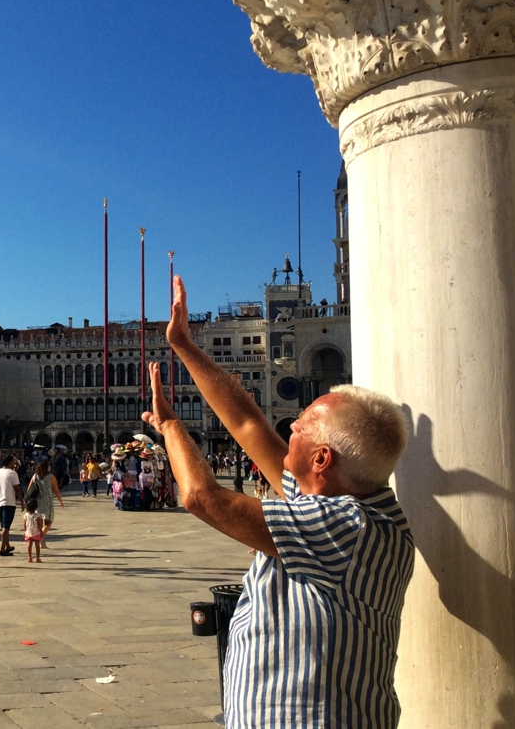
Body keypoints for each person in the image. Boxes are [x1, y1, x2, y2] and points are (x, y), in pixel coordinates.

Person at [142, 274, 413, 727]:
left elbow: (203, 498)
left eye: (302, 425)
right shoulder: (335, 499)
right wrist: (185, 346)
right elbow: (249, 423)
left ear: (322, 459)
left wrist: (171, 428)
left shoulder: (350, 528)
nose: (290, 428)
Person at [26, 459, 64, 546]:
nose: (50, 466)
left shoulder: (35, 476)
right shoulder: (51, 477)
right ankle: (39, 537)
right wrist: (60, 501)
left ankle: (42, 542)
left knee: (39, 522)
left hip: (37, 502)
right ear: (46, 467)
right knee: (48, 522)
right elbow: (56, 491)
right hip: (47, 502)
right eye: (49, 465)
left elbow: (29, 489)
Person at [0, 455, 23, 556]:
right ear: (10, 462)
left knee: (4, 525)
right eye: (14, 460)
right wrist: (22, 501)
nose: (16, 462)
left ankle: (7, 545)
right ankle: (2, 549)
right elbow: (17, 489)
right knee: (6, 526)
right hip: (8, 502)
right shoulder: (12, 474)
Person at [23, 497, 44, 563]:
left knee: (29, 545)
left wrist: (24, 531)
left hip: (29, 532)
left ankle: (30, 557)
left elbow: (24, 524)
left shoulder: (26, 515)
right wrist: (41, 532)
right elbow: (40, 525)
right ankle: (38, 558)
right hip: (36, 532)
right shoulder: (37, 516)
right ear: (36, 507)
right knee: (37, 545)